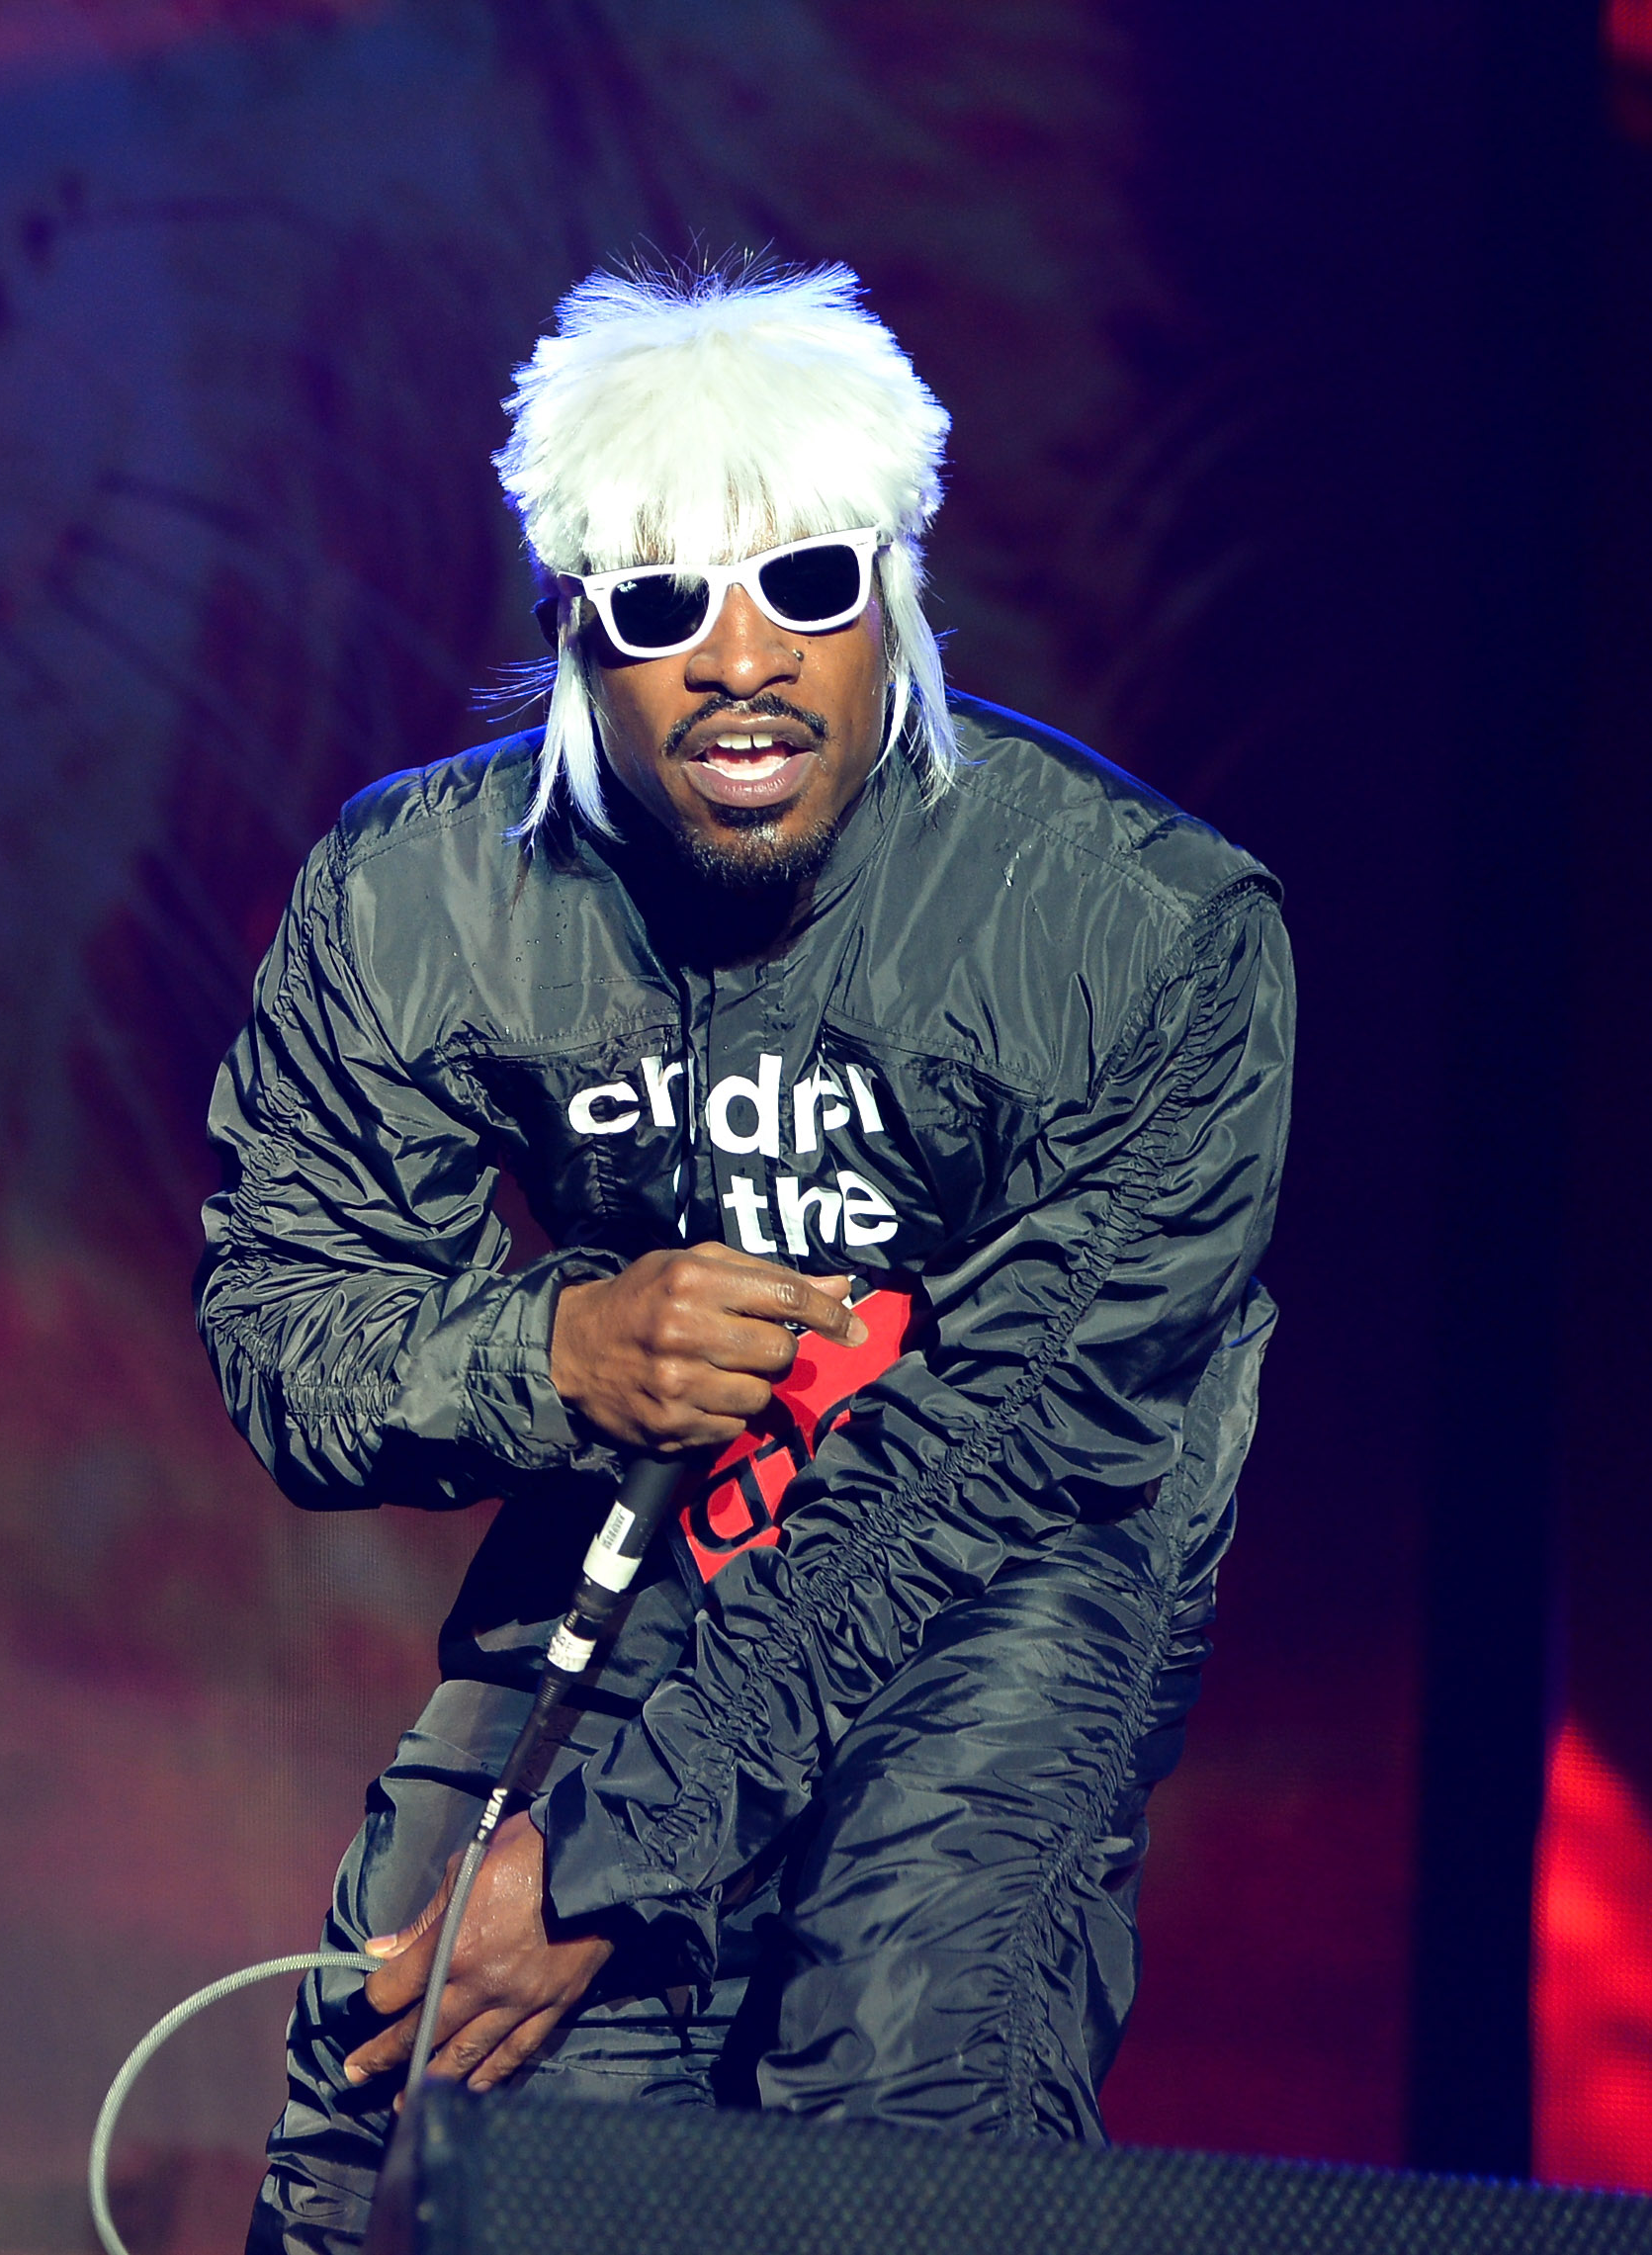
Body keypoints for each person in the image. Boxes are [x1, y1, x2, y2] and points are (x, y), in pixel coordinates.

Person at [198, 264, 1290, 2253]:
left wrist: (607, 1856)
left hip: (999, 1588)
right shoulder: (417, 895)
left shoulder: (1147, 934)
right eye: (653, 606)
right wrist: (560, 1353)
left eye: (801, 583)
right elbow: (288, 1321)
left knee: (885, 2095)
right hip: (632, 1556)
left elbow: (1000, 1454)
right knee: (390, 2140)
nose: (736, 661)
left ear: (890, 593)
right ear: (567, 638)